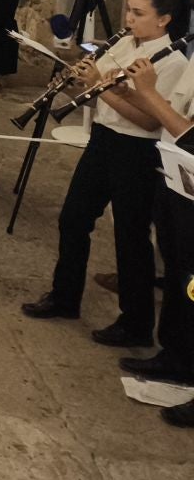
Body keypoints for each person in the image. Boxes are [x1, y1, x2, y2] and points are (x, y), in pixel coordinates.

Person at [23, 0, 189, 349]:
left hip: (138, 151)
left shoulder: (173, 62)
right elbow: (92, 95)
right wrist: (76, 83)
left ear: (163, 19)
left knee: (130, 236)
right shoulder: (123, 44)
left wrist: (102, 88)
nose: (129, 19)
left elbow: (150, 121)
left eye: (139, 13)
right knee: (73, 218)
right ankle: (65, 297)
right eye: (129, 10)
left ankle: (135, 323)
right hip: (103, 140)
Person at [96, 32, 194, 414]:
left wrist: (148, 92)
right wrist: (130, 93)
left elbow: (189, 133)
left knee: (189, 277)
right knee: (178, 269)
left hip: (184, 163)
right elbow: (176, 114)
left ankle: (184, 362)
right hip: (177, 172)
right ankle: (175, 355)